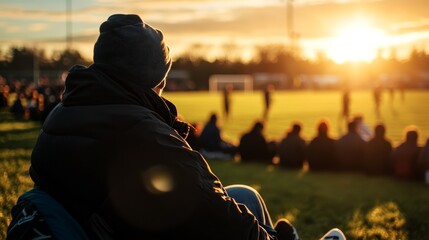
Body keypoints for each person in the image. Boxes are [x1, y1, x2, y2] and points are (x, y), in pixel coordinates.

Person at [9, 14, 340, 240]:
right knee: (246, 207)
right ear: (155, 80)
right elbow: (226, 223)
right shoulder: (147, 137)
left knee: (245, 195)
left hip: (101, 224)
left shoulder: (64, 113)